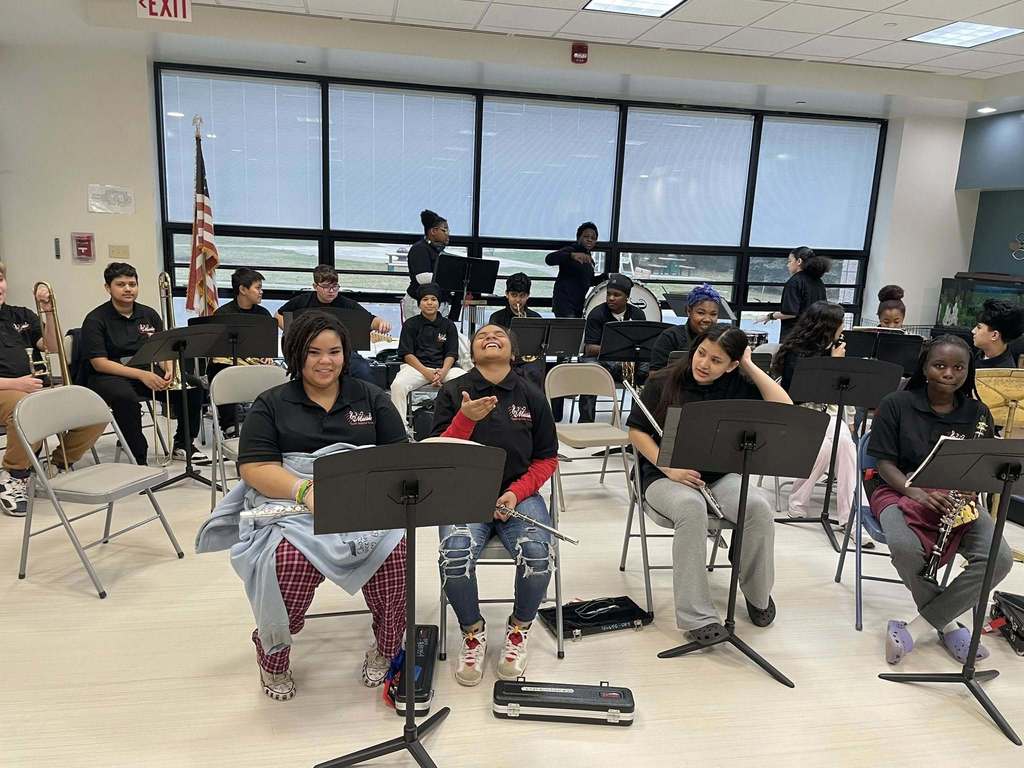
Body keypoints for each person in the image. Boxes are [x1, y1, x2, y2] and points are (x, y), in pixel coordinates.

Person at [197, 310, 410, 701]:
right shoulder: (272, 403)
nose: (325, 361)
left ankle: (386, 646)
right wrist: (305, 492)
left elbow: (397, 458)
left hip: (361, 498)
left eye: (334, 351)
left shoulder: (371, 397)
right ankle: (273, 655)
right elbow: (255, 468)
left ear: (346, 354)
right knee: (284, 567)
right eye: (313, 352)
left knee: (395, 557)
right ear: (296, 355)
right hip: (292, 502)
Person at [627, 326, 791, 646]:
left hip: (716, 476)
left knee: (757, 507)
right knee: (691, 507)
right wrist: (668, 466)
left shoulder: (738, 384)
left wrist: (750, 365)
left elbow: (783, 409)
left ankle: (758, 596)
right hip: (662, 475)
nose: (703, 364)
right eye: (701, 353)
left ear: (731, 365)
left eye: (717, 360)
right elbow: (636, 432)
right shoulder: (663, 381)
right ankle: (697, 616)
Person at [868, 335, 1013, 665]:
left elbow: (984, 466)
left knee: (999, 558)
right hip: (897, 488)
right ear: (925, 366)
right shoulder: (896, 403)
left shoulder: (978, 412)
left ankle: (918, 627)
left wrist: (970, 490)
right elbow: (884, 464)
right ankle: (949, 624)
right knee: (906, 550)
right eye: (940, 365)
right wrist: (916, 492)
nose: (949, 373)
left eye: (959, 367)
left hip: (955, 496)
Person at [431, 323, 559, 685]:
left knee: (538, 555)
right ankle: (472, 631)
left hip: (520, 495)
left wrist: (516, 494)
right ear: (472, 350)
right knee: (454, 556)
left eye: (499, 335)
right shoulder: (455, 391)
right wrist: (464, 420)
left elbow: (548, 458)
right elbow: (436, 454)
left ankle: (518, 628)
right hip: (464, 495)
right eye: (482, 335)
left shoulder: (531, 394)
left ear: (512, 352)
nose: (490, 336)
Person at [81, 263, 208, 467]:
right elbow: (99, 363)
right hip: (109, 375)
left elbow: (162, 348)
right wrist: (141, 375)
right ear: (108, 288)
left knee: (193, 387)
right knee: (126, 400)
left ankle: (183, 444)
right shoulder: (95, 319)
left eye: (132, 284)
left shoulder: (149, 314)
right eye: (120, 284)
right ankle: (138, 458)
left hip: (146, 371)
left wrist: (169, 368)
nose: (128, 289)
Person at [0, 268, 104, 515]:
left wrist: (47, 310)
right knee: (28, 411)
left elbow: (52, 347)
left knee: (95, 411)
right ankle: (14, 476)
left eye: (0, 279)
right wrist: (16, 384)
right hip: (9, 390)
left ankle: (57, 464)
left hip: (34, 386)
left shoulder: (20, 314)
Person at [771, 301, 859, 535]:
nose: (843, 327)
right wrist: (833, 364)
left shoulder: (834, 348)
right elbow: (799, 395)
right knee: (827, 445)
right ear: (828, 326)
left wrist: (849, 418)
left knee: (844, 444)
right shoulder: (794, 354)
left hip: (826, 416)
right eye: (840, 322)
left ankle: (847, 518)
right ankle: (800, 505)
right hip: (798, 416)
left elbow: (843, 393)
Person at [275, 265, 390, 385]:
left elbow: (370, 320)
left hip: (342, 351)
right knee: (303, 369)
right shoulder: (302, 301)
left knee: (362, 369)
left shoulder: (346, 304)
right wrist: (294, 331)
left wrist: (381, 323)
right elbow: (278, 315)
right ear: (315, 286)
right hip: (309, 349)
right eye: (326, 287)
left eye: (335, 287)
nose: (331, 291)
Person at [208, 268, 273, 436]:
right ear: (243, 290)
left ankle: (271, 423)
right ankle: (229, 427)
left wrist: (266, 356)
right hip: (226, 364)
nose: (261, 292)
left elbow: (266, 346)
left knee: (277, 375)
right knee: (225, 374)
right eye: (257, 288)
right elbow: (215, 352)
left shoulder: (263, 314)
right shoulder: (222, 314)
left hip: (254, 364)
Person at [390, 283, 466, 422]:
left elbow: (451, 353)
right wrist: (427, 373)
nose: (429, 303)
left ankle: (461, 424)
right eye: (425, 300)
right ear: (419, 304)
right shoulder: (410, 324)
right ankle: (400, 428)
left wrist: (442, 372)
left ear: (439, 303)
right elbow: (407, 354)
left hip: (444, 369)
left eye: (433, 299)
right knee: (397, 386)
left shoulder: (448, 325)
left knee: (466, 381)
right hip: (417, 368)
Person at [578, 273, 645, 423]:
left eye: (617, 295)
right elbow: (590, 349)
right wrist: (618, 349)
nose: (611, 298)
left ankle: (639, 424)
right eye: (609, 294)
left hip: (628, 361)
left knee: (648, 371)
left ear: (627, 297)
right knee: (590, 369)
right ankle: (586, 422)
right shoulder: (596, 314)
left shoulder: (638, 314)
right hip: (603, 361)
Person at [759, 246, 830, 341]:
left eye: (789, 261)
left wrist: (770, 316)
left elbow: (790, 313)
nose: (787, 265)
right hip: (814, 335)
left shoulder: (795, 282)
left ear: (799, 261)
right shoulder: (819, 282)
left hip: (795, 336)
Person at [488, 273, 545, 391]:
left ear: (528, 296)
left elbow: (540, 346)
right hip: (505, 361)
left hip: (529, 363)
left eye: (522, 295)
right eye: (513, 295)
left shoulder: (535, 318)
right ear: (506, 294)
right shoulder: (496, 318)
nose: (518, 300)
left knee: (533, 372)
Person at [650, 283, 722, 371]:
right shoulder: (670, 337)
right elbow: (654, 376)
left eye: (713, 314)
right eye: (701, 313)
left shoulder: (722, 339)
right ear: (688, 311)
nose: (707, 319)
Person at [545, 221, 606, 319]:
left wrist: (605, 277)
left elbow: (588, 281)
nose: (590, 240)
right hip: (565, 305)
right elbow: (549, 259)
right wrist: (571, 255)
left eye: (593, 238)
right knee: (569, 332)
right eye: (586, 237)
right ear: (578, 238)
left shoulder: (590, 260)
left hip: (578, 305)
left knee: (575, 332)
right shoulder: (571, 250)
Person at [403, 209, 453, 321]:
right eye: (444, 230)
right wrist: (453, 279)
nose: (448, 234)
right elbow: (423, 278)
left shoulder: (439, 252)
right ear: (434, 231)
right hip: (419, 304)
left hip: (440, 303)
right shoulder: (419, 249)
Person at [972, 298, 1023, 370]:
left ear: (994, 335)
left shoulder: (1003, 374)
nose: (973, 331)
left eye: (979, 327)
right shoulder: (980, 353)